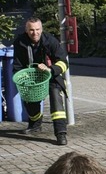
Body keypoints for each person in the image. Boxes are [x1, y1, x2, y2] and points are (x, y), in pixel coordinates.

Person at [12, 17, 69, 145]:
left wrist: (50, 69)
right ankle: (35, 125)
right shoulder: (19, 42)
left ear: (41, 29)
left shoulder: (51, 41)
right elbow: (17, 65)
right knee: (30, 100)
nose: (35, 33)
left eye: (37, 29)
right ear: (26, 30)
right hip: (31, 78)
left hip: (52, 76)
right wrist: (22, 77)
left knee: (56, 99)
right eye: (31, 30)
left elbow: (64, 62)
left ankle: (61, 133)